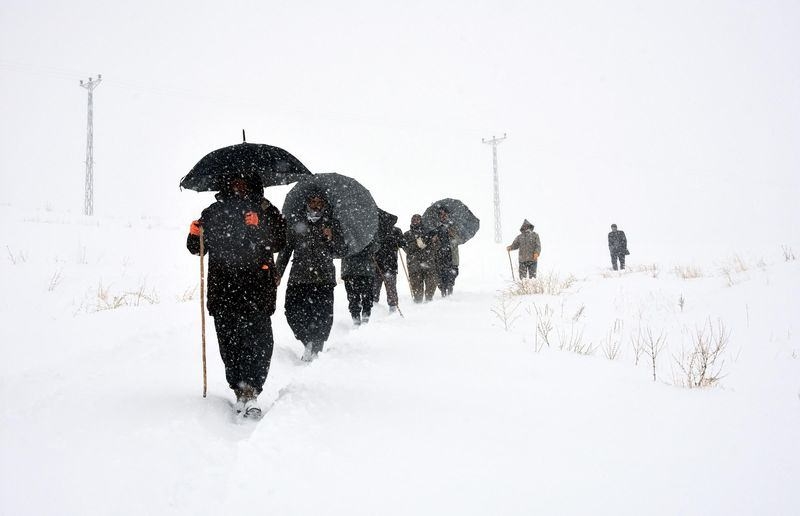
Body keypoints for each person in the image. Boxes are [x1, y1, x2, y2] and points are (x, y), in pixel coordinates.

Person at [186, 176, 286, 418]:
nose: (238, 185)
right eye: (234, 181)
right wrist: (194, 234)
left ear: (253, 183)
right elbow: (197, 249)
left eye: (244, 181)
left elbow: (280, 242)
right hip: (223, 290)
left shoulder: (265, 209)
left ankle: (251, 391)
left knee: (259, 342)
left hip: (257, 289)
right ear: (226, 183)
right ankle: (239, 389)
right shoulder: (213, 212)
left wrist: (260, 226)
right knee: (229, 344)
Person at [275, 194, 346, 361]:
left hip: (324, 278)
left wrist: (332, 237)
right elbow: (286, 250)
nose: (315, 205)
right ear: (306, 203)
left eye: (319, 202)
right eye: (312, 201)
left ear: (324, 205)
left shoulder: (332, 223)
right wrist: (278, 272)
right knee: (291, 311)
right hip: (299, 276)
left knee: (322, 315)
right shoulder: (295, 223)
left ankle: (317, 347)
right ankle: (307, 341)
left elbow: (342, 251)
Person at [402, 214, 438, 303]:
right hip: (414, 264)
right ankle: (417, 304)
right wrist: (418, 243)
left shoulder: (429, 232)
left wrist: (434, 241)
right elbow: (406, 248)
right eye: (413, 219)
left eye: (418, 219)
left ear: (421, 221)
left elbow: (436, 247)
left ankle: (429, 302)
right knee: (416, 285)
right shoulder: (407, 234)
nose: (415, 221)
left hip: (428, 262)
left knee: (431, 283)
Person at [342, 240, 379, 325]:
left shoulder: (345, 229)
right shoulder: (370, 229)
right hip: (363, 269)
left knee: (354, 296)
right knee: (364, 295)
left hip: (351, 269)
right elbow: (376, 247)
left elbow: (340, 248)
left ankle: (358, 318)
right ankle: (362, 317)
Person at [373, 224, 404, 313]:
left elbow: (403, 243)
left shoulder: (396, 230)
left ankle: (393, 309)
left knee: (391, 289)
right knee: (374, 288)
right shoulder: (375, 230)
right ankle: (374, 308)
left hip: (391, 265)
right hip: (377, 264)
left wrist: (397, 240)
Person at [433, 207, 462, 297]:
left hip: (451, 255)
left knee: (452, 274)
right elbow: (431, 243)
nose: (443, 216)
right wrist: (434, 239)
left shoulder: (453, 227)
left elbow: (460, 240)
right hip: (440, 255)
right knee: (441, 276)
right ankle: (443, 292)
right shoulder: (435, 228)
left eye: (445, 214)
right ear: (439, 216)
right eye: (441, 214)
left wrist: (453, 235)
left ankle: (450, 291)